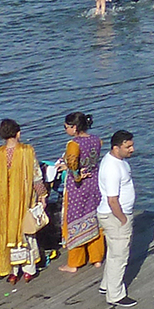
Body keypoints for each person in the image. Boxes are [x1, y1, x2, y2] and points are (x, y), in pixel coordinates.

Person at [0, 119, 45, 284]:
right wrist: (42, 196)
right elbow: (36, 177)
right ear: (18, 133)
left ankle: (13, 272)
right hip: (23, 200)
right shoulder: (27, 151)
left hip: (3, 203)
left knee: (7, 234)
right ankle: (29, 271)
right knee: (26, 233)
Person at [56, 113, 107, 273]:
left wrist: (77, 176)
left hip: (79, 186)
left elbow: (72, 164)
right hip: (94, 181)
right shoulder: (96, 140)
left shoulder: (73, 144)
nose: (65, 130)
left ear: (74, 127)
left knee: (74, 219)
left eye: (66, 127)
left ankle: (75, 262)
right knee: (94, 216)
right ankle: (96, 257)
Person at [98, 130, 137, 307]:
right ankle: (115, 295)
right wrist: (123, 219)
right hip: (115, 216)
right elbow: (112, 200)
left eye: (131, 145)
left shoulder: (117, 161)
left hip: (114, 215)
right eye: (127, 146)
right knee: (119, 256)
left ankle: (106, 285)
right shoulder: (112, 168)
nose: (132, 149)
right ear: (116, 147)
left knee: (114, 252)